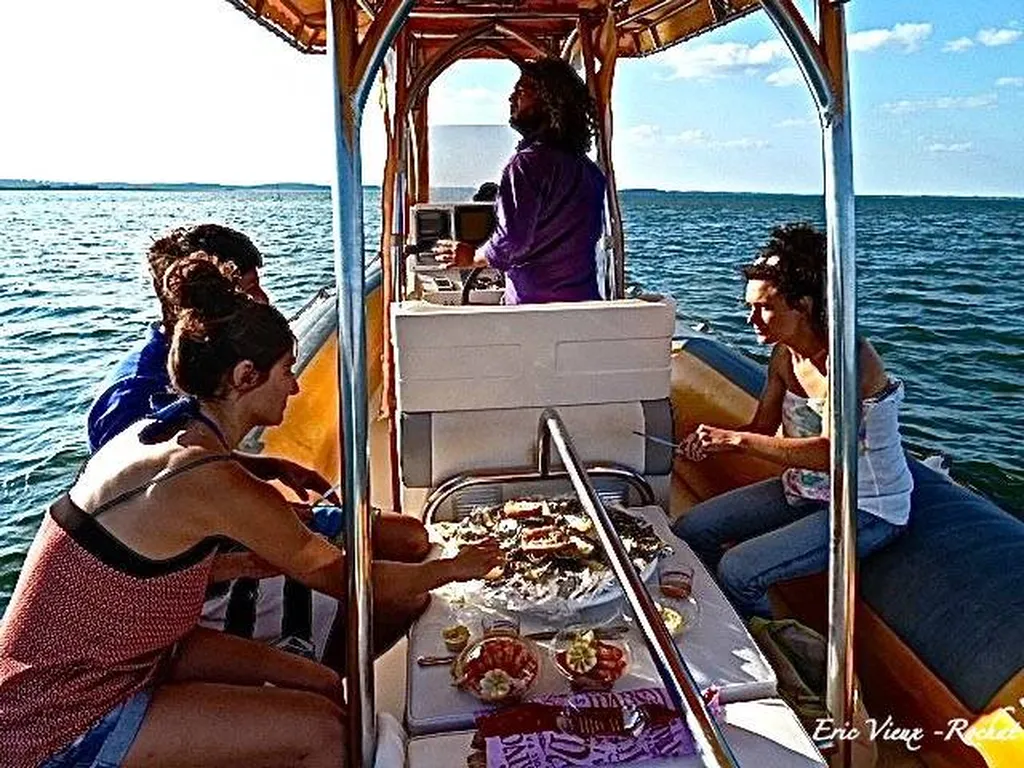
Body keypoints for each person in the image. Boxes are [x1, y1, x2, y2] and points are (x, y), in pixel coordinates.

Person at [0, 255, 503, 768]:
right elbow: (351, 581)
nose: (296, 386)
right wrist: (453, 569)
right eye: (286, 371)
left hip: (143, 654)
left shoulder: (161, 434)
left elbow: (180, 492)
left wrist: (266, 469)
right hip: (58, 714)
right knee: (324, 732)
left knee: (327, 681)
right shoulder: (210, 481)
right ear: (245, 375)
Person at [85, 225, 431, 665]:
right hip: (208, 567)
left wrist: (265, 467)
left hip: (239, 521)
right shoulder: (132, 398)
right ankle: (304, 673)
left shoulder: (214, 365)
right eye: (246, 291)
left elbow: (198, 459)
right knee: (401, 596)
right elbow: (148, 518)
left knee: (409, 539)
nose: (262, 301)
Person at [671, 223, 913, 620]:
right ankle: (719, 620)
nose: (752, 319)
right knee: (692, 529)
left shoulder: (850, 361)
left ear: (803, 305)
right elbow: (762, 427)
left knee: (739, 570)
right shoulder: (784, 355)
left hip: (866, 506)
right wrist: (709, 442)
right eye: (749, 306)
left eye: (764, 307)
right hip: (803, 491)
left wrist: (735, 441)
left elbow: (832, 455)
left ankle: (777, 652)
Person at [433, 57, 606, 304]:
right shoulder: (590, 172)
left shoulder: (526, 165)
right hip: (584, 309)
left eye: (521, 90)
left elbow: (511, 242)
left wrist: (471, 258)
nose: (511, 98)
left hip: (533, 314)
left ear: (548, 102)